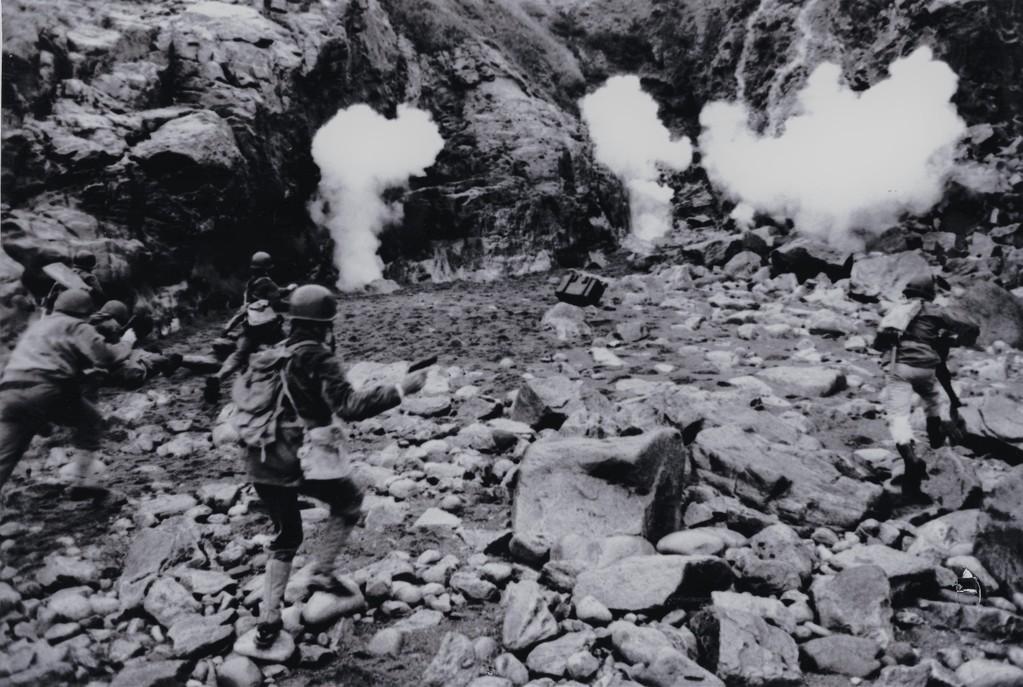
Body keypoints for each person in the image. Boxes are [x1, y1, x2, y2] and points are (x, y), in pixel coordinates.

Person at [238, 284, 426, 650]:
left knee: (286, 536)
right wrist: (402, 389)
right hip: (298, 458)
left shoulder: (275, 354)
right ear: (326, 324)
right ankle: (322, 571)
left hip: (260, 458)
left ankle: (268, 620)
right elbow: (350, 407)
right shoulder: (319, 359)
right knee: (349, 501)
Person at [0, 290, 145, 494]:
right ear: (85, 310)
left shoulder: (40, 325)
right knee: (90, 419)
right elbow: (105, 357)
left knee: (6, 453)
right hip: (45, 388)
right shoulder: (76, 325)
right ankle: (82, 481)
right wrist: (126, 343)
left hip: (9, 391)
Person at [873, 274, 979, 501]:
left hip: (898, 368)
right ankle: (938, 448)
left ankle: (911, 460)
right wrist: (956, 340)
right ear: (929, 294)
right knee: (934, 403)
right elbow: (969, 324)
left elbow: (878, 342)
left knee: (898, 418)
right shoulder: (934, 311)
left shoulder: (896, 311)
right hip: (925, 368)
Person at [204, 251, 288, 402]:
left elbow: (264, 296)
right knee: (288, 348)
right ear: (268, 268)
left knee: (239, 354)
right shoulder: (269, 284)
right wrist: (297, 305)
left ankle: (218, 378)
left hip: (251, 327)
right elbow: (277, 303)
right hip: (269, 329)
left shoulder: (251, 283)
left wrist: (287, 290)